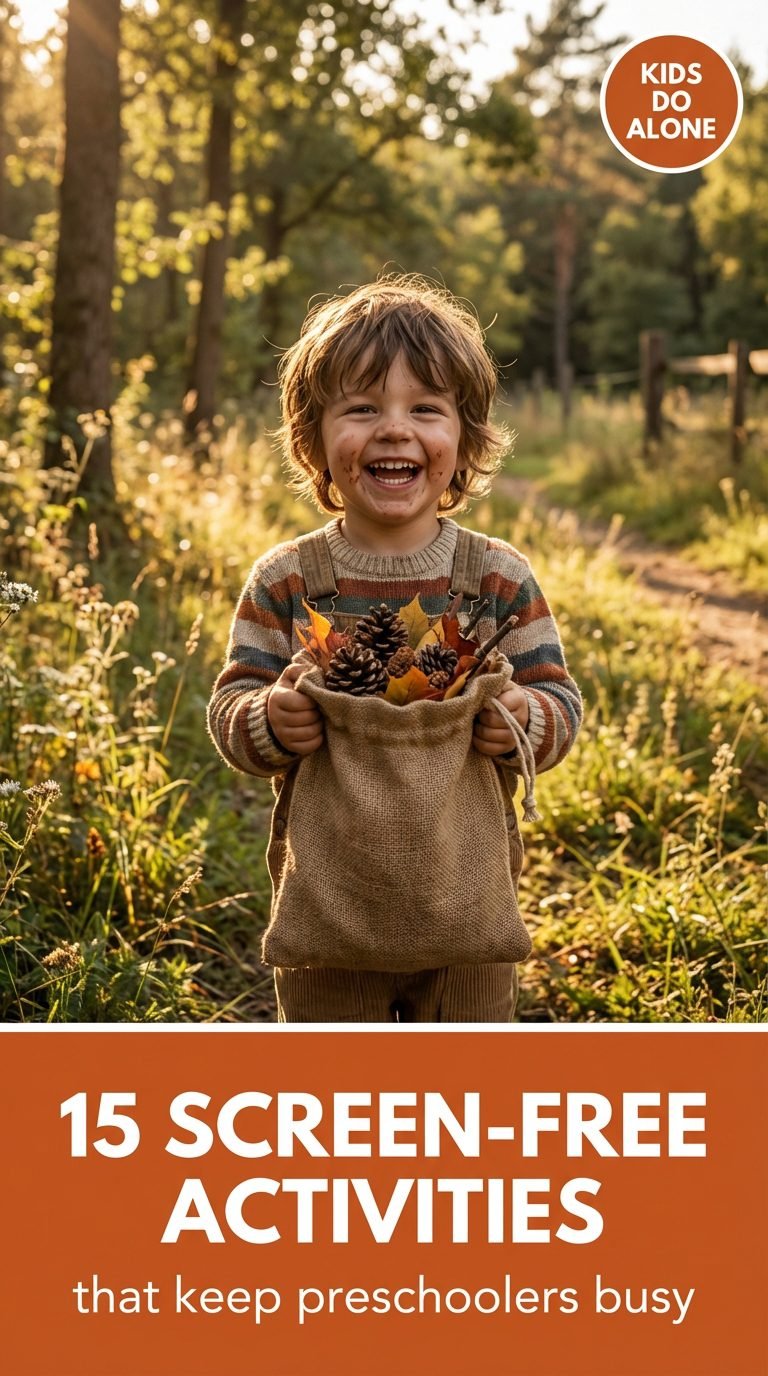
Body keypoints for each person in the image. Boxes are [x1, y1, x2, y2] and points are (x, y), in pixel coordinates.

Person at [207, 274, 582, 1023]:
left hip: (468, 917)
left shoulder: (498, 578)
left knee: (469, 1084)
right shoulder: (287, 581)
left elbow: (560, 704)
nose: (393, 430)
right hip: (328, 922)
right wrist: (269, 720)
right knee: (333, 1083)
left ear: (465, 440)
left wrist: (523, 718)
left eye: (426, 409)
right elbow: (232, 706)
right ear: (312, 439)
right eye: (361, 408)